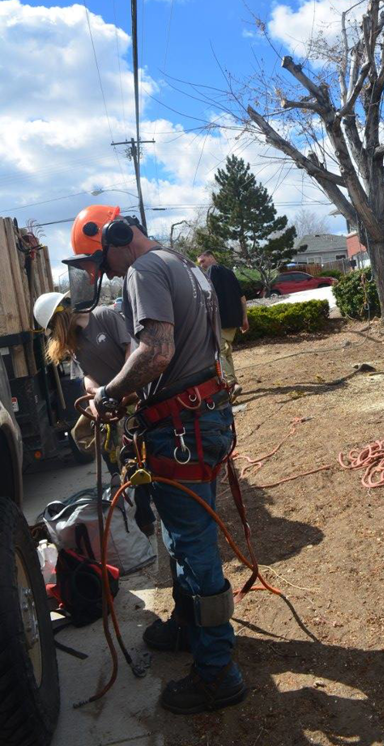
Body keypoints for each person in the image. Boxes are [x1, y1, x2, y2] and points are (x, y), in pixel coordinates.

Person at [62, 205, 245, 715]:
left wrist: (108, 397)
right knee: (179, 535)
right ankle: (189, 628)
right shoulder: (181, 262)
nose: (103, 275)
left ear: (117, 237)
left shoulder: (143, 270)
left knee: (193, 547)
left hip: (183, 428)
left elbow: (156, 351)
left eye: (99, 263)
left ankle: (217, 672)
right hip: (197, 419)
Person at [32, 291, 156, 534]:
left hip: (134, 398)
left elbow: (132, 351)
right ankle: (138, 521)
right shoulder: (75, 342)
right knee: (114, 462)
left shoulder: (104, 316)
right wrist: (94, 395)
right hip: (109, 404)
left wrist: (122, 390)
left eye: (52, 329)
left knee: (136, 460)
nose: (54, 337)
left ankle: (147, 514)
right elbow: (87, 375)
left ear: (60, 317)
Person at [196, 250, 249, 397]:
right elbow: (242, 298)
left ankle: (231, 384)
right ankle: (233, 382)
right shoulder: (230, 272)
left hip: (220, 320)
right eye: (200, 263)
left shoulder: (212, 271)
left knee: (219, 353)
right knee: (226, 352)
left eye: (203, 261)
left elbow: (208, 295)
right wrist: (244, 319)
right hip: (233, 320)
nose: (202, 265)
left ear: (212, 257)